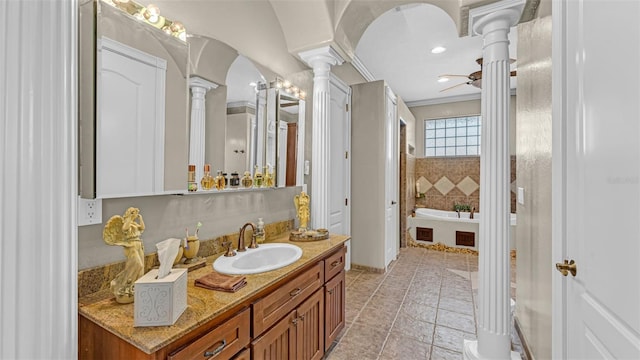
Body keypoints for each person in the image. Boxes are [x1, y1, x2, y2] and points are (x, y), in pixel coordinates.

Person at [103, 207, 146, 304]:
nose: (135, 214)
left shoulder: (134, 224)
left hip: (139, 244)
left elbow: (142, 228)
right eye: (133, 213)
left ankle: (133, 288)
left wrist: (140, 218)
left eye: (135, 213)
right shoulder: (127, 223)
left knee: (140, 270)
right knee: (137, 265)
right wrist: (129, 218)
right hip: (131, 246)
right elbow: (125, 228)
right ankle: (124, 287)